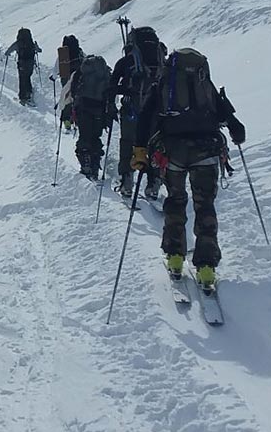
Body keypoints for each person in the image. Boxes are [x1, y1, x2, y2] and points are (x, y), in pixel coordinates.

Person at [130, 47, 247, 290]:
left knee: (176, 200)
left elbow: (145, 116)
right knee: (205, 205)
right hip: (206, 150)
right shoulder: (204, 82)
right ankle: (206, 268)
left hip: (173, 152)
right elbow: (225, 113)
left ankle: (175, 257)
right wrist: (236, 130)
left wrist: (140, 149)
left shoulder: (163, 83)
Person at [109, 25, 166, 200]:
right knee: (154, 144)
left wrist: (116, 98)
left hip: (131, 108)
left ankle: (127, 179)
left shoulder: (127, 61)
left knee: (128, 142)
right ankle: (154, 181)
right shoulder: (160, 59)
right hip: (156, 110)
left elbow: (111, 86)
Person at [61, 39, 112, 181]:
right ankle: (95, 165)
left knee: (84, 136)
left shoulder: (79, 72)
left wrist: (66, 110)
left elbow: (70, 91)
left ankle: (86, 165)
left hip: (83, 108)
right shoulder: (104, 71)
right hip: (100, 110)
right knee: (95, 137)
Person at [5, 28, 43, 104]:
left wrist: (8, 54)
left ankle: (23, 97)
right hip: (31, 64)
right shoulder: (31, 43)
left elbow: (8, 51)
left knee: (22, 79)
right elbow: (39, 50)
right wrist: (36, 46)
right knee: (27, 77)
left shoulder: (18, 43)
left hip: (22, 64)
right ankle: (29, 94)